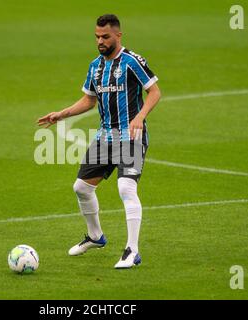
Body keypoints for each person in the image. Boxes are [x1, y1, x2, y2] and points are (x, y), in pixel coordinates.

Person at [37, 14, 161, 269]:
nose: (100, 41)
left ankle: (132, 251)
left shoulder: (132, 61)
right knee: (81, 188)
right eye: (97, 37)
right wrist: (62, 113)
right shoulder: (95, 66)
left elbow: (154, 91)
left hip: (131, 136)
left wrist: (140, 116)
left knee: (126, 188)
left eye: (105, 37)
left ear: (118, 35)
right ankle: (95, 236)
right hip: (105, 137)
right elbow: (89, 100)